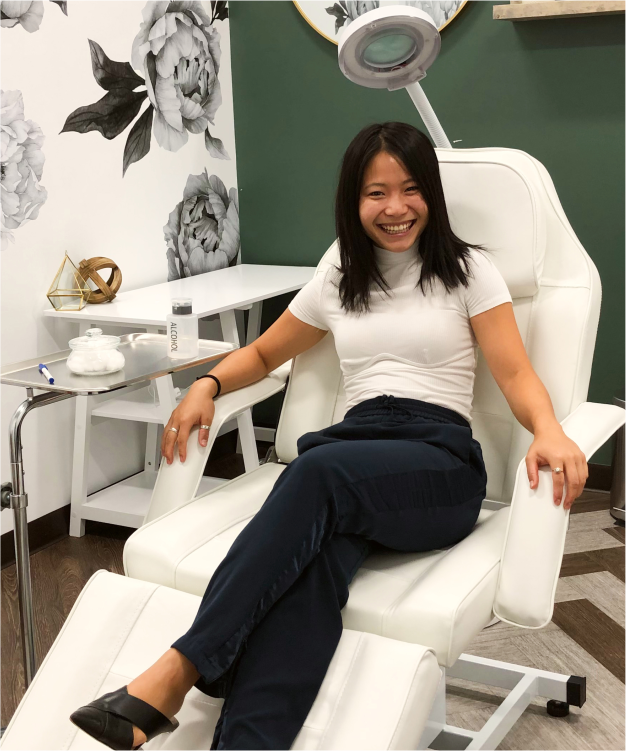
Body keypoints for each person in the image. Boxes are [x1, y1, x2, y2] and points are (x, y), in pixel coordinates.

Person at [70, 122, 588, 751]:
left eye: (411, 189)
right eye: (377, 193)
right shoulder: (340, 274)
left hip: (438, 464)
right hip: (354, 457)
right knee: (310, 575)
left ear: (431, 194)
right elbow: (264, 354)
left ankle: (178, 672)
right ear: (353, 200)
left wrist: (550, 430)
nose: (396, 208)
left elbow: (515, 374)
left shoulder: (468, 271)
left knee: (313, 473)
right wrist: (207, 384)